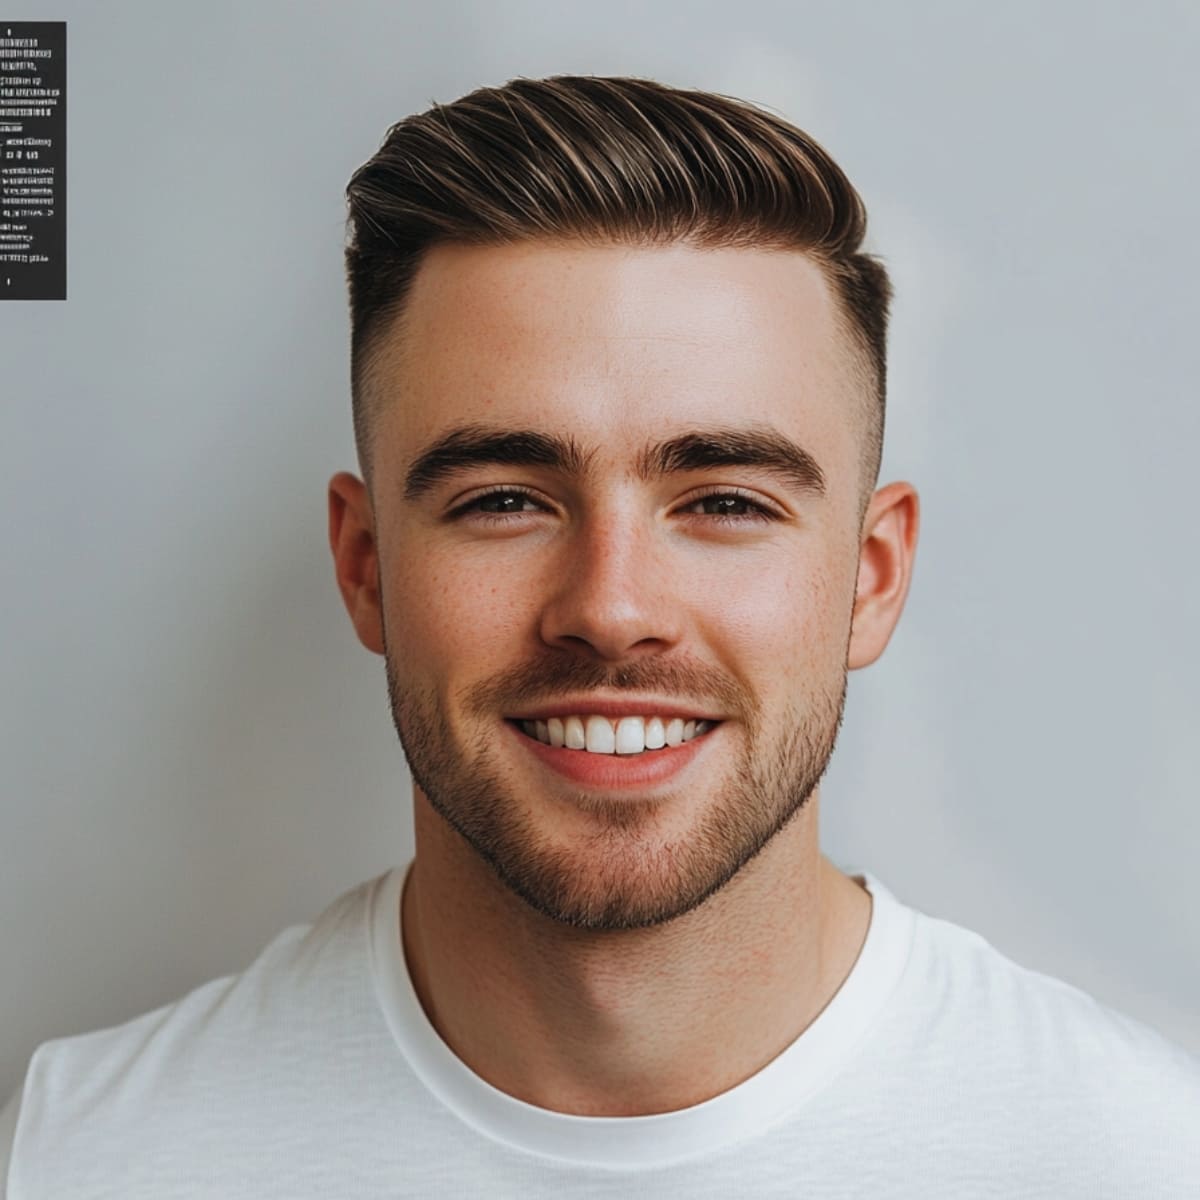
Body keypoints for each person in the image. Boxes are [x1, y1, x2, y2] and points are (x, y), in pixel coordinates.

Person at [2, 74, 1197, 1197]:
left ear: (871, 581)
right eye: (503, 501)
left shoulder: (1137, 1159)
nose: (612, 608)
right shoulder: (87, 1157)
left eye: (726, 502)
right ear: (364, 566)